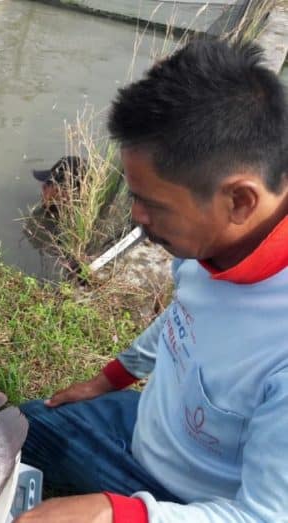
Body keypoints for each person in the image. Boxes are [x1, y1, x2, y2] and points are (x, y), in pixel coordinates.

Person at [17, 38, 288, 522]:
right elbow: (184, 318)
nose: (138, 219)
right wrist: (107, 381)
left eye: (154, 205)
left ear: (241, 201)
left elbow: (264, 516)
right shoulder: (208, 243)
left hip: (195, 503)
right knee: (12, 429)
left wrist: (114, 514)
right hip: (141, 428)